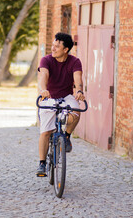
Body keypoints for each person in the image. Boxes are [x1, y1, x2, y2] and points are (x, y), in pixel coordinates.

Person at [36, 32, 85, 176]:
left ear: (66, 49)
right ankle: (42, 163)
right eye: (53, 45)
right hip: (49, 97)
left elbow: (78, 79)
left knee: (76, 111)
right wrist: (43, 89)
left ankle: (67, 136)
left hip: (66, 97)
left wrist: (79, 91)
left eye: (57, 46)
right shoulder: (46, 60)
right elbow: (43, 75)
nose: (53, 48)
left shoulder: (74, 62)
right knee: (45, 132)